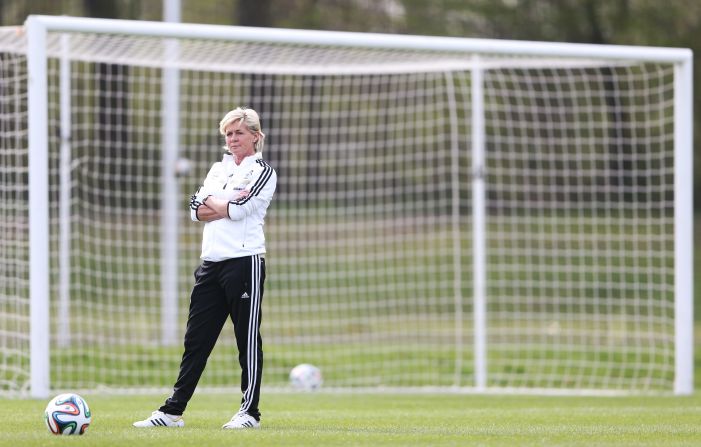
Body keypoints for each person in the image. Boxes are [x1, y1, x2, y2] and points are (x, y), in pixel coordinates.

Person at [133, 107, 277, 430]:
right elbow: (195, 210)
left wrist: (217, 203)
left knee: (247, 339)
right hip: (210, 264)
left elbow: (238, 210)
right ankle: (172, 412)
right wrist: (220, 204)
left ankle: (249, 413)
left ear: (255, 136)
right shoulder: (217, 169)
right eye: (228, 133)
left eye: (239, 133)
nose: (233, 139)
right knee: (196, 340)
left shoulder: (263, 172)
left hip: (245, 263)